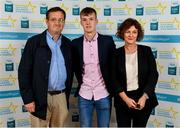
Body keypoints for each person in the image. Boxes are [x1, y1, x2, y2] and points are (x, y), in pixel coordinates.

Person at [18, 7, 72, 127]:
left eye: (61, 20)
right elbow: (24, 71)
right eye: (53, 19)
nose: (57, 23)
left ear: (64, 22)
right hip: (39, 97)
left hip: (61, 97)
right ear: (47, 21)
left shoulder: (69, 44)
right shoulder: (34, 42)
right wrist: (28, 99)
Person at [71, 7, 115, 127]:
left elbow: (114, 67)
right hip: (84, 94)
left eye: (91, 19)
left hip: (104, 93)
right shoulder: (75, 44)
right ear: (81, 22)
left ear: (96, 21)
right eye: (84, 19)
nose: (88, 22)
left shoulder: (107, 41)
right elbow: (74, 67)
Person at [112, 18, 159, 127]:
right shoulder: (116, 54)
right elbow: (113, 79)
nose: (131, 35)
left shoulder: (146, 51)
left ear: (138, 34)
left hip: (143, 98)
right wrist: (126, 99)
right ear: (122, 33)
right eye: (128, 31)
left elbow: (153, 75)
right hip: (123, 99)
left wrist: (144, 97)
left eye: (134, 32)